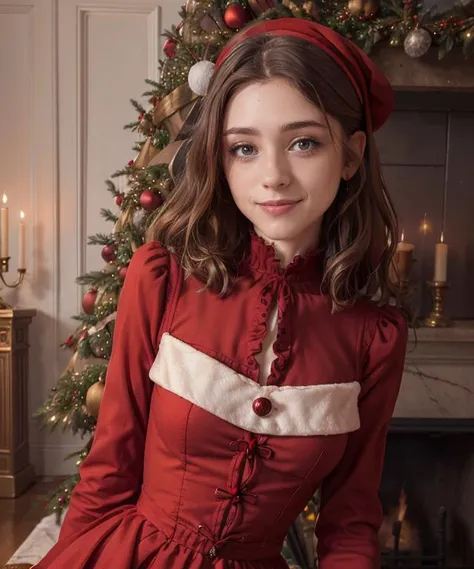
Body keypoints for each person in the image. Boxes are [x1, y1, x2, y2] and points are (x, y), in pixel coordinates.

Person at [35, 16, 408, 569]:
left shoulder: (374, 339)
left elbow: (350, 522)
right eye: (245, 149)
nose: (273, 176)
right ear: (221, 159)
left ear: (351, 155)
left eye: (303, 142)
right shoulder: (161, 280)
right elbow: (107, 474)